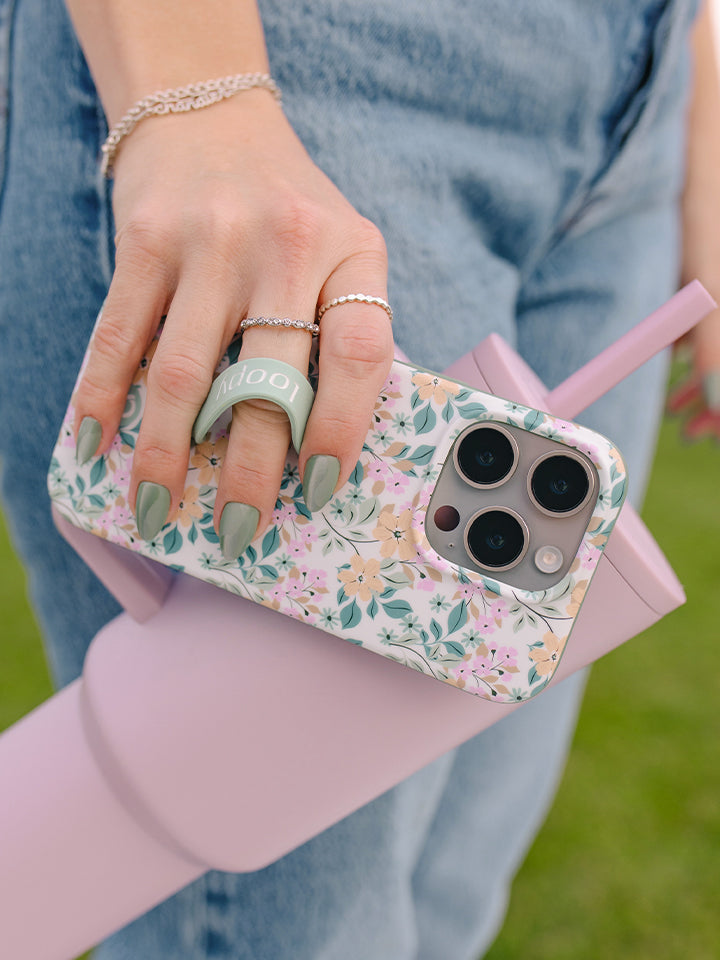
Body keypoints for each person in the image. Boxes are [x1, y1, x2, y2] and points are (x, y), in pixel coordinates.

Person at [0, 0, 717, 956]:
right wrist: (189, 97)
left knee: (445, 905)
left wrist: (690, 68)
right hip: (301, 65)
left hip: (634, 89)